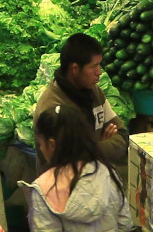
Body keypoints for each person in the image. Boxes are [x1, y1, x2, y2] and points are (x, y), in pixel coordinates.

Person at [35, 33, 128, 171]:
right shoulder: (53, 108)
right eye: (94, 66)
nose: (99, 72)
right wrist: (100, 145)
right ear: (75, 69)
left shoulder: (95, 93)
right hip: (64, 188)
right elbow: (67, 161)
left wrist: (90, 150)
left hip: (93, 182)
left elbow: (122, 135)